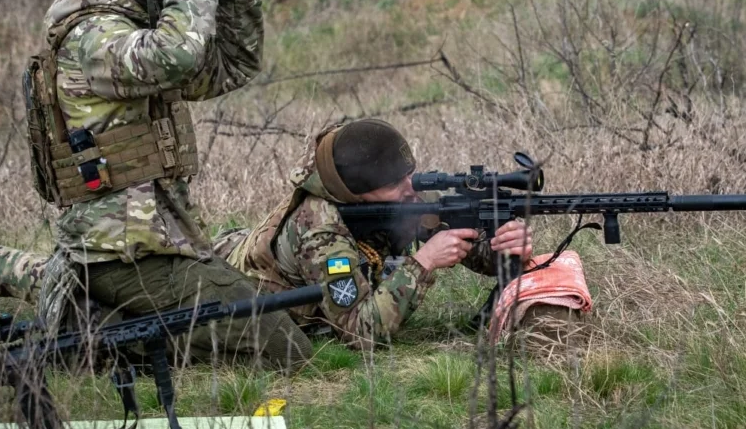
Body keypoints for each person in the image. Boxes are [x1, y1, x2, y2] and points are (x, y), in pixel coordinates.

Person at [0, 0, 312, 371]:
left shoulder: (137, 33)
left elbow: (231, 66)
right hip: (121, 250)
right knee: (285, 348)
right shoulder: (95, 36)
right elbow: (175, 55)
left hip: (153, 240)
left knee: (256, 303)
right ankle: (88, 333)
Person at [214, 118, 534, 350]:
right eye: (396, 184)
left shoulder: (392, 197)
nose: (411, 189)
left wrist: (502, 244)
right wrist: (423, 263)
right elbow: (359, 330)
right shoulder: (320, 232)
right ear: (358, 192)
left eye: (409, 175)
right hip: (227, 284)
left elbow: (469, 246)